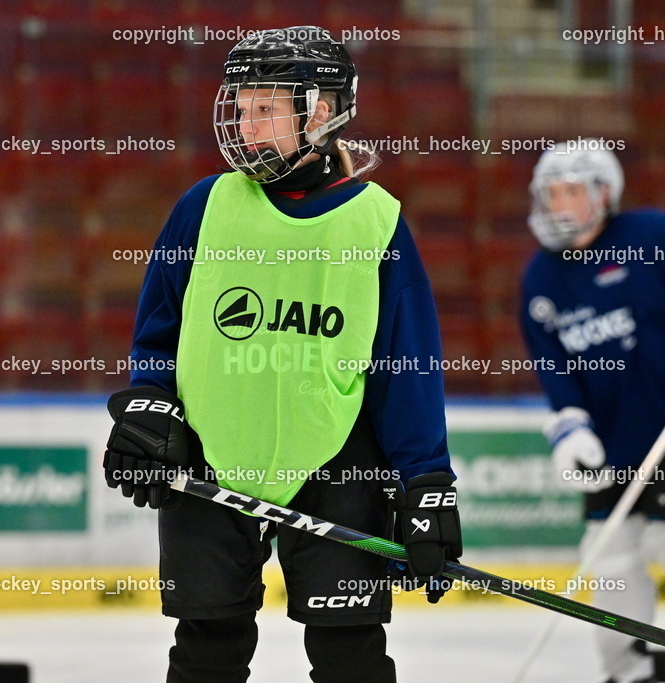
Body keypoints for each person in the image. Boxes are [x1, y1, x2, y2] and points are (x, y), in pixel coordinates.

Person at [101, 26, 461, 683]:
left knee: (349, 652)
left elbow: (405, 369)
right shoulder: (203, 208)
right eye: (239, 106)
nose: (243, 123)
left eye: (263, 108)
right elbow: (159, 331)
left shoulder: (376, 223)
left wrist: (426, 481)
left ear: (319, 111)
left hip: (337, 465)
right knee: (206, 645)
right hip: (211, 457)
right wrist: (151, 403)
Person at [519, 141, 665, 683]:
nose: (559, 204)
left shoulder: (656, 236)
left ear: (604, 193)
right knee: (608, 552)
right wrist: (570, 425)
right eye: (552, 192)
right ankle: (629, 672)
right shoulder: (541, 277)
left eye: (572, 191)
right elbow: (553, 365)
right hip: (610, 440)